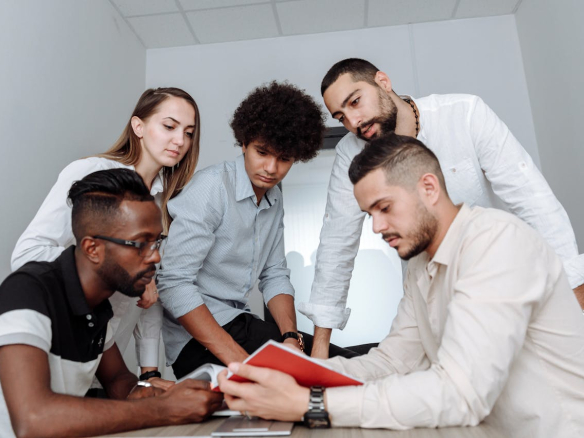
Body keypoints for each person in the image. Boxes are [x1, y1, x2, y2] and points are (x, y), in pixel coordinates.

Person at [218, 135, 584, 438]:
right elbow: (392, 362)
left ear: (429, 188)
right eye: (369, 214)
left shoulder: (497, 243)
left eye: (385, 207)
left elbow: (461, 393)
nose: (377, 227)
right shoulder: (421, 264)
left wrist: (310, 404)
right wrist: (297, 377)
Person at [299, 58, 584, 358]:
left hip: (503, 278)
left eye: (355, 102)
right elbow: (336, 245)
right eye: (341, 117)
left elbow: (533, 200)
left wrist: (576, 294)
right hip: (431, 295)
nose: (354, 122)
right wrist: (320, 352)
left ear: (383, 82)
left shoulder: (464, 114)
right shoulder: (350, 153)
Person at [0, 169, 223, 438]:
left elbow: (118, 379)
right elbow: (33, 420)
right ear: (92, 249)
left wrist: (152, 392)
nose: (155, 257)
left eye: (156, 242)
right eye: (140, 243)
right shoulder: (27, 291)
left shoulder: (98, 304)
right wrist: (164, 409)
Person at [157, 81, 357, 379]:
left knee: (348, 364)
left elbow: (274, 273)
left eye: (284, 159)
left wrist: (290, 337)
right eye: (262, 152)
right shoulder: (211, 188)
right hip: (195, 340)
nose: (271, 168)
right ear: (244, 143)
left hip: (239, 322)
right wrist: (243, 364)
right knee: (341, 370)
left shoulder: (274, 198)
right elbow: (173, 284)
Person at [11, 87, 200, 383]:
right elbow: (28, 254)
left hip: (108, 363)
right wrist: (124, 272)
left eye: (188, 133)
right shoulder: (91, 172)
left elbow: (151, 296)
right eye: (169, 126)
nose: (180, 141)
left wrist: (149, 371)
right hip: (55, 352)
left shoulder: (166, 204)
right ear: (138, 126)